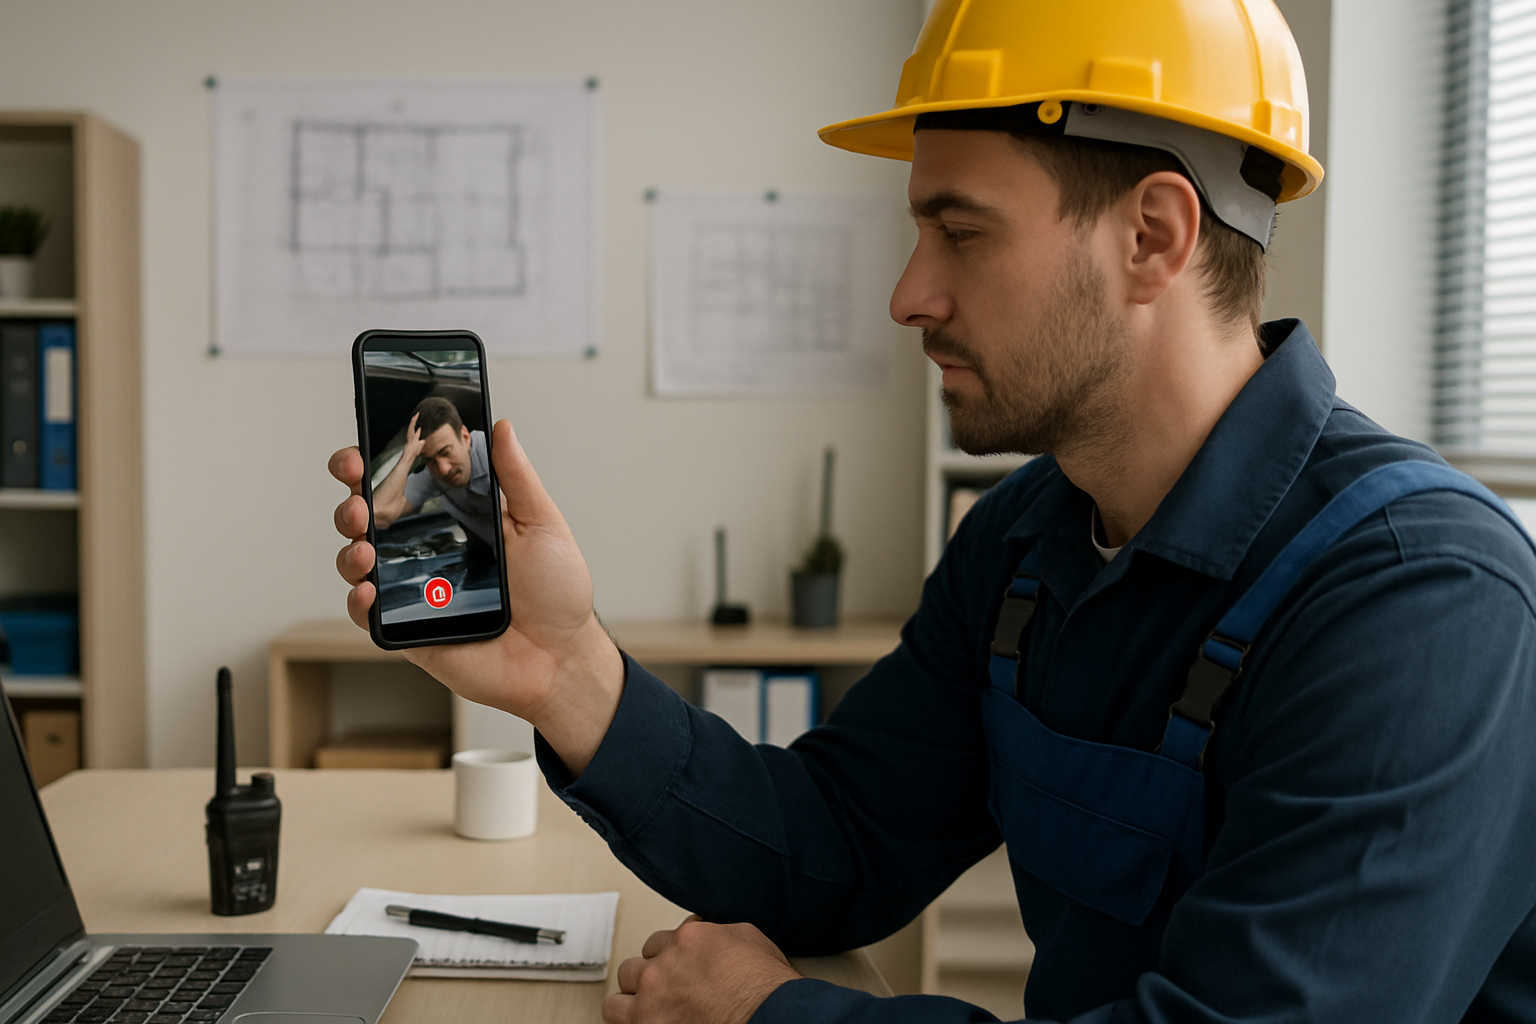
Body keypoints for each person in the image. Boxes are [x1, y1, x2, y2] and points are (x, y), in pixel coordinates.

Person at [329, 2, 1536, 1021]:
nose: (909, 296)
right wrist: (563, 667)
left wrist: (779, 1011)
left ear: (1152, 238)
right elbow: (837, 845)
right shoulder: (1024, 541)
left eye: (960, 232)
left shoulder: (1419, 602)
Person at [369, 396, 496, 547]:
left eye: (446, 452)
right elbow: (377, 514)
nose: (443, 469)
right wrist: (408, 455)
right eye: (430, 460)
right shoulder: (431, 476)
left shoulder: (494, 454)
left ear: (465, 437)